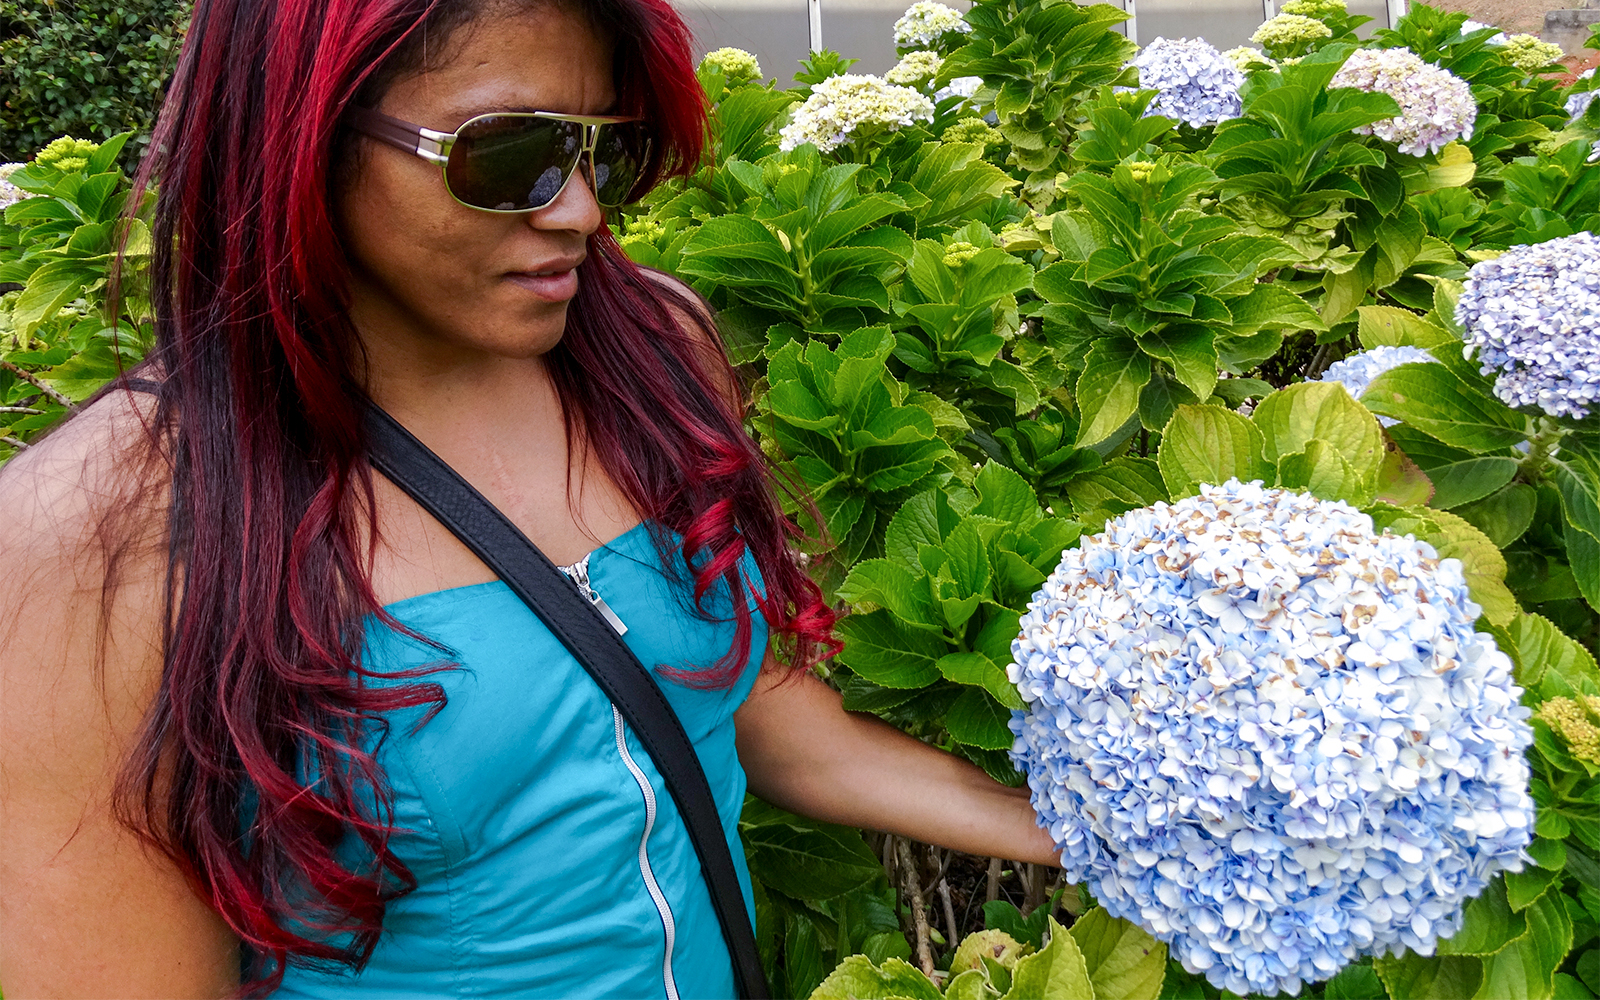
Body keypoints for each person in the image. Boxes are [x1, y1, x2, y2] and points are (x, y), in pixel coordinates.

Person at [0, 0, 1061, 995]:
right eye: (512, 155)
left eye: (607, 148)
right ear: (301, 134)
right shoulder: (91, 538)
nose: (582, 212)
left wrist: (1093, 829)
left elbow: (768, 726)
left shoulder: (649, 352)